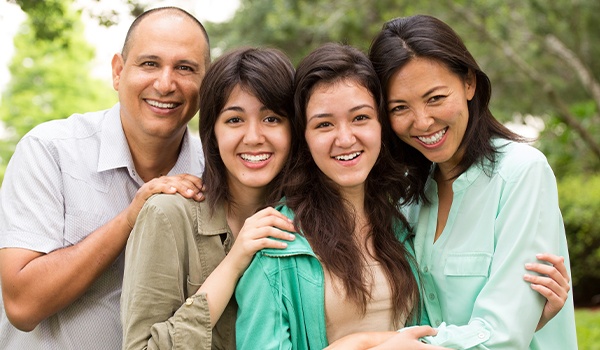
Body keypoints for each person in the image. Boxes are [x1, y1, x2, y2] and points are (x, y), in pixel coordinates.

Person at [0, 7, 209, 349]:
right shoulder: (49, 151)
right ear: (118, 72)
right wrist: (130, 217)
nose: (165, 83)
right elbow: (22, 305)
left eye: (185, 68)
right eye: (149, 64)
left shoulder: (214, 173)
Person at [368, 14, 577, 349]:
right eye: (399, 107)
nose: (422, 122)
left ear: (469, 83)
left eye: (435, 98)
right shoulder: (408, 197)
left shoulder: (522, 172)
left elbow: (504, 335)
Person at [235, 42, 451, 349]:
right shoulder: (277, 240)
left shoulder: (398, 226)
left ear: (381, 126)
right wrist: (362, 344)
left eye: (360, 118)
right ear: (304, 137)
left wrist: (530, 314)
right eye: (324, 124)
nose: (345, 138)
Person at [120, 47, 297, 349]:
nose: (253, 137)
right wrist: (234, 261)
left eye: (271, 119)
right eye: (234, 120)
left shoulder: (309, 220)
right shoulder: (167, 215)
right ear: (211, 133)